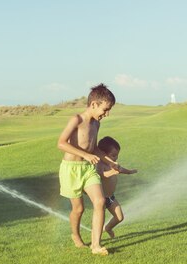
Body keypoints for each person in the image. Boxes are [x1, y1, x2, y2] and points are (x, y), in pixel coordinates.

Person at [57, 84, 118, 255]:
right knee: (78, 209)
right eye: (105, 110)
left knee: (99, 202)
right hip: (71, 169)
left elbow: (95, 149)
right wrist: (85, 154)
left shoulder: (96, 125)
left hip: (88, 169)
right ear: (94, 105)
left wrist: (109, 162)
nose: (107, 114)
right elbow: (61, 143)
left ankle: (96, 246)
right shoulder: (76, 120)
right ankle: (75, 235)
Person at [95, 136, 138, 238]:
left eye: (117, 155)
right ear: (103, 154)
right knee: (99, 220)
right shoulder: (100, 164)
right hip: (101, 198)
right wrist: (112, 172)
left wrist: (130, 172)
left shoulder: (113, 164)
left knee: (119, 217)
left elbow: (121, 169)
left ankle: (108, 228)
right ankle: (96, 240)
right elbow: (101, 175)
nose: (116, 158)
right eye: (113, 155)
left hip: (111, 197)